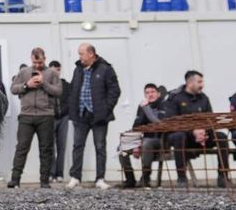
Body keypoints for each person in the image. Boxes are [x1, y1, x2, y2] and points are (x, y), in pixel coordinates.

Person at [66, 43, 121, 190]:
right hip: (81, 114)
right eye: (79, 54)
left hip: (99, 116)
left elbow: (115, 91)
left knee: (100, 147)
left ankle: (100, 179)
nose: (79, 57)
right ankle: (75, 177)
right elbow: (72, 89)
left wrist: (106, 108)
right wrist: (73, 108)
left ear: (91, 54)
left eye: (81, 53)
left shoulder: (106, 69)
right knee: (77, 146)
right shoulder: (78, 69)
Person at [164, 70, 230, 188]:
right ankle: (182, 178)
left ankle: (222, 176)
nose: (202, 85)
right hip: (184, 136)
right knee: (178, 136)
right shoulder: (174, 98)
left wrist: (204, 131)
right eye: (199, 82)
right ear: (190, 83)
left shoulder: (204, 98)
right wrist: (192, 131)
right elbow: (172, 122)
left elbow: (210, 119)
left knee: (221, 137)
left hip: (202, 135)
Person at [7, 47, 61, 189]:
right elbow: (13, 88)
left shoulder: (52, 73)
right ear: (31, 59)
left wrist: (43, 83)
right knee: (22, 148)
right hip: (26, 115)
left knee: (46, 149)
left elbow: (58, 91)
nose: (37, 65)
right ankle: (15, 180)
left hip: (46, 115)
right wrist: (27, 85)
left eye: (40, 62)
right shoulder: (24, 72)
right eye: (35, 62)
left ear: (45, 58)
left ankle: (44, 181)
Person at [119, 83, 166, 188]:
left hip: (159, 140)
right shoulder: (142, 107)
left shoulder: (164, 105)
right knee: (122, 147)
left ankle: (145, 178)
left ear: (158, 94)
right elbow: (136, 126)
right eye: (147, 93)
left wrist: (146, 108)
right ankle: (130, 179)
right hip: (143, 140)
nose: (150, 95)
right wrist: (135, 144)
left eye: (153, 92)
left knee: (146, 144)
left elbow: (158, 123)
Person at [48, 60, 71, 183]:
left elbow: (71, 99)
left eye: (58, 69)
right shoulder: (46, 85)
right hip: (50, 117)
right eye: (53, 69)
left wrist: (66, 112)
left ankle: (60, 173)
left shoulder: (66, 84)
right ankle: (51, 173)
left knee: (62, 146)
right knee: (51, 147)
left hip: (64, 118)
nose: (56, 72)